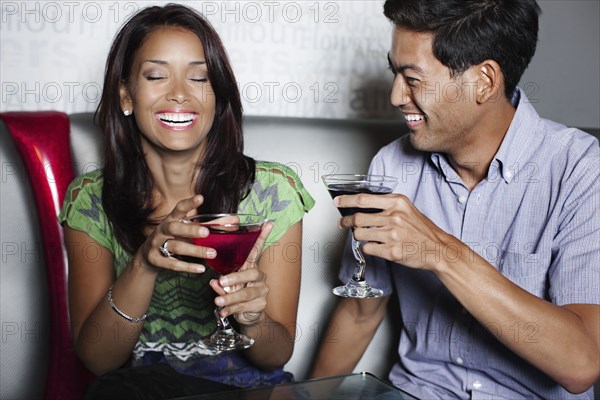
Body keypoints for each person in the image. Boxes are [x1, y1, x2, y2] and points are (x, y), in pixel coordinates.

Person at [310, 0, 599, 398]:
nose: (396, 95)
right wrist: (306, 394)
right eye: (394, 72)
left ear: (484, 81)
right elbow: (361, 312)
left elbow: (582, 364)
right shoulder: (391, 166)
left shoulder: (580, 170)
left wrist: (440, 252)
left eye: (412, 78)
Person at [59, 3, 314, 394]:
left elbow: (275, 354)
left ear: (217, 96)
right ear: (125, 95)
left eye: (199, 78)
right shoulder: (91, 200)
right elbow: (98, 359)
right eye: (156, 75)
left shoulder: (272, 192)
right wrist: (144, 262)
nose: (179, 94)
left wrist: (251, 318)